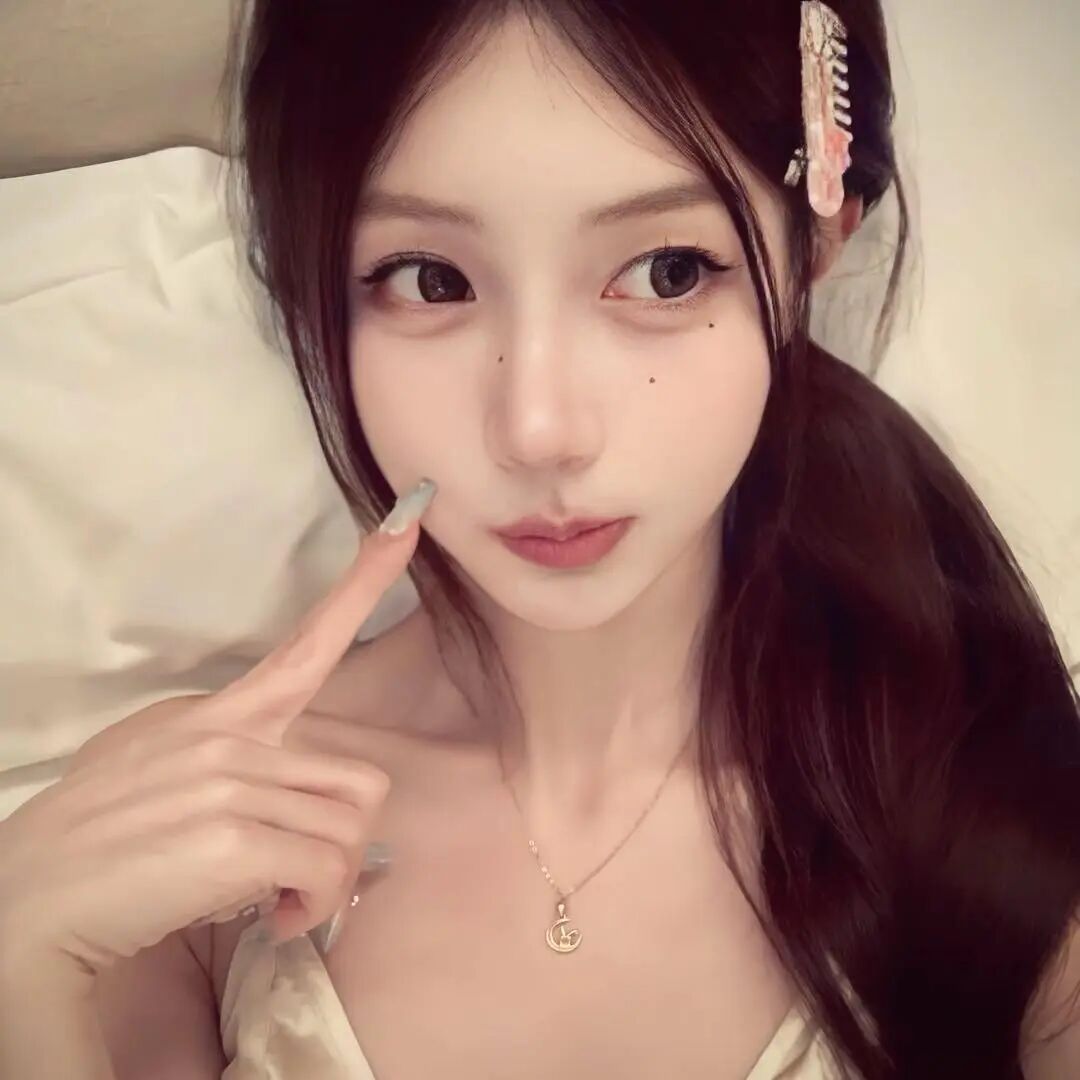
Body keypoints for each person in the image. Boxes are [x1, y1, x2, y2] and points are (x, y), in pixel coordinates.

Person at [1, 2, 1078, 1077]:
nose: (540, 429)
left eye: (666, 271)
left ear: (813, 251)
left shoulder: (997, 816)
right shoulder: (199, 832)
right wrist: (21, 968)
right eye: (431, 279)